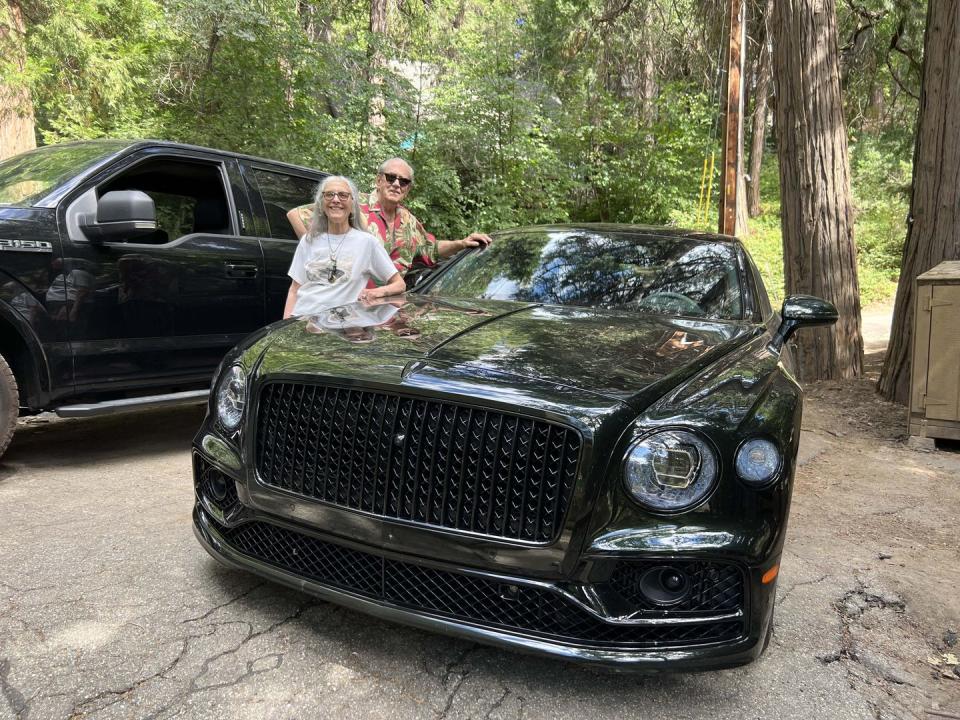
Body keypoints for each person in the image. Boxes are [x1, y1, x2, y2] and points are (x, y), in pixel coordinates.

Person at [287, 158, 492, 277]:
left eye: (403, 181)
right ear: (378, 180)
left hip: (392, 306)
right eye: (391, 177)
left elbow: (430, 250)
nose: (396, 184)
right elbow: (296, 215)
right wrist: (320, 256)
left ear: (408, 189)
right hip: (352, 302)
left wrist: (462, 243)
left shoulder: (408, 220)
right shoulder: (353, 204)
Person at [283, 176, 406, 319]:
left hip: (340, 328)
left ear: (353, 204)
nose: (335, 200)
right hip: (302, 321)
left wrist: (376, 292)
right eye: (329, 195)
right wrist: (285, 325)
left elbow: (399, 285)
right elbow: (294, 289)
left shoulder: (367, 243)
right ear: (321, 204)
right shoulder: (309, 240)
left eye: (343, 195)